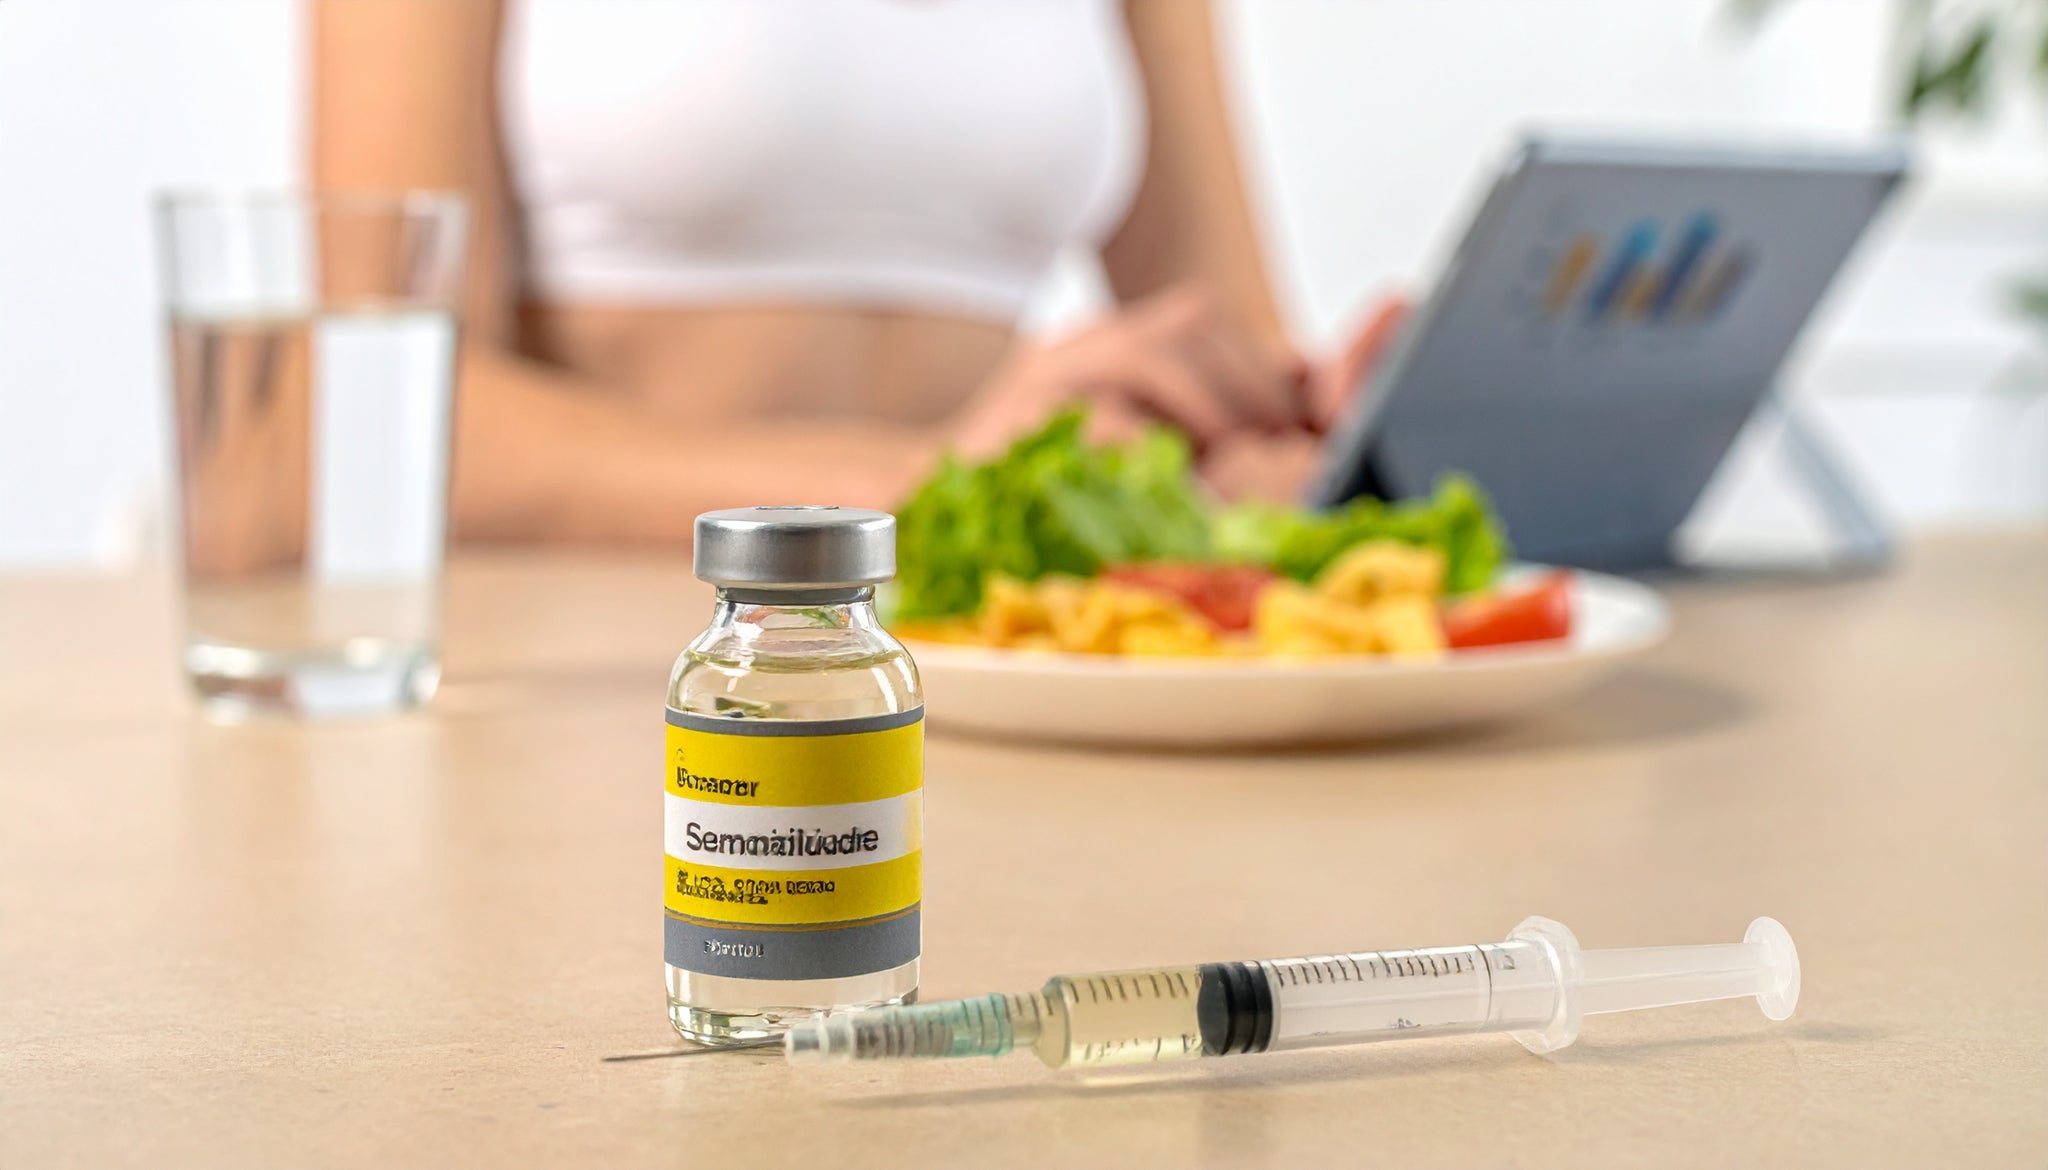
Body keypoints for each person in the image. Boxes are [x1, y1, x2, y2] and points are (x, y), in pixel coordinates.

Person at [314, 0, 1402, 545]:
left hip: (992, 686)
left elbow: (1224, 353)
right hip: (626, 690)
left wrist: (1334, 427)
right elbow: (378, 417)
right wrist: (921, 492)